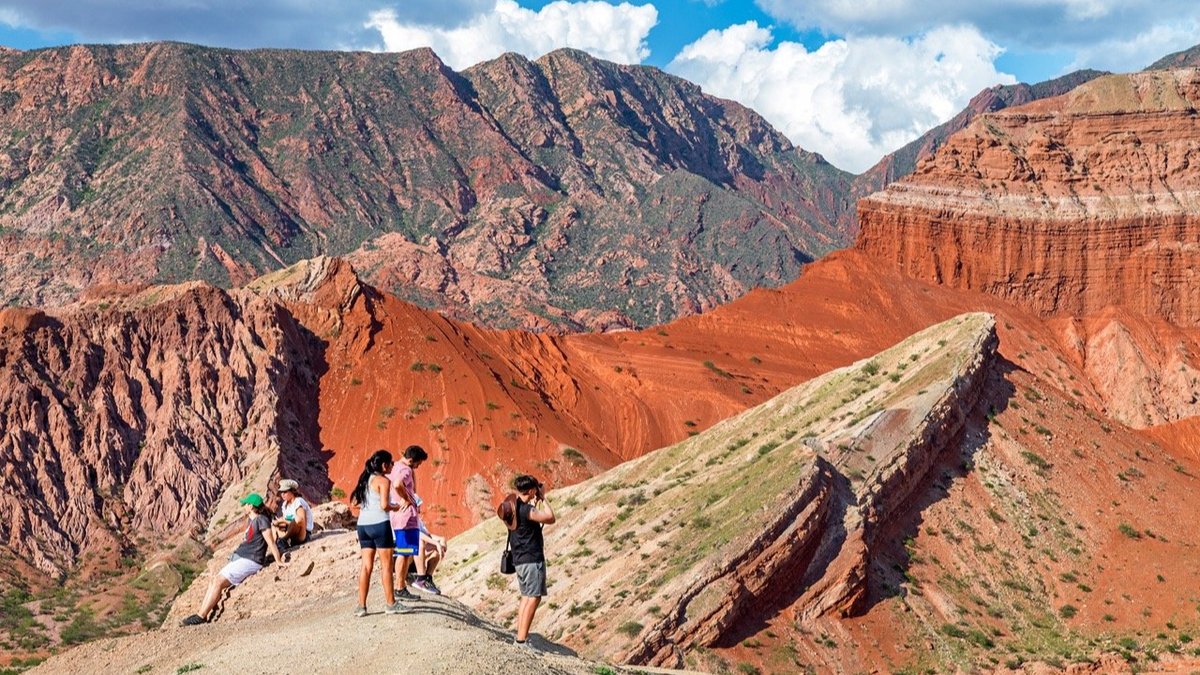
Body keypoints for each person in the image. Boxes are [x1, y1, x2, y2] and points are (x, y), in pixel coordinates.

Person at [181, 493, 285, 626]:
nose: (243, 506)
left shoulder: (261, 520)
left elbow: (270, 541)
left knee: (218, 581)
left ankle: (201, 616)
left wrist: (278, 561)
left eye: (245, 504)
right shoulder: (251, 521)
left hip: (251, 560)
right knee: (214, 579)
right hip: (242, 557)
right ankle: (200, 613)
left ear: (251, 506)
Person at [352, 449, 409, 617]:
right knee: (386, 565)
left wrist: (368, 506)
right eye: (391, 463)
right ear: (384, 465)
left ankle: (361, 606)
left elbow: (355, 503)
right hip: (379, 524)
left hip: (363, 526)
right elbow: (384, 506)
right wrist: (397, 507)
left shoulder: (365, 479)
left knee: (366, 566)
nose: (392, 465)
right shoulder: (383, 481)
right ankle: (391, 604)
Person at [502, 474, 556, 652]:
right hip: (532, 560)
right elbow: (550, 518)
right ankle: (522, 641)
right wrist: (543, 498)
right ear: (532, 490)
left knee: (526, 597)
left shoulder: (512, 506)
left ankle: (520, 636)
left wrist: (534, 497)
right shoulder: (527, 511)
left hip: (519, 560)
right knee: (534, 597)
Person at [388, 445, 427, 602]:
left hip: (396, 516)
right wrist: (408, 499)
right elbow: (398, 484)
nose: (418, 466)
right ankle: (400, 588)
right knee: (405, 554)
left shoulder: (395, 466)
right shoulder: (406, 470)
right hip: (406, 518)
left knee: (403, 553)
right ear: (411, 460)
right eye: (418, 463)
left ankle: (399, 586)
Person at [273, 479, 312, 549]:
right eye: (281, 492)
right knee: (274, 524)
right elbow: (285, 521)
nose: (282, 494)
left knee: (297, 519)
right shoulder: (285, 505)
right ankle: (279, 543)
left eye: (285, 492)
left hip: (303, 534)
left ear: (292, 491)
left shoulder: (298, 501)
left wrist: (283, 521)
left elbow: (301, 521)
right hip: (291, 534)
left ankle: (284, 539)